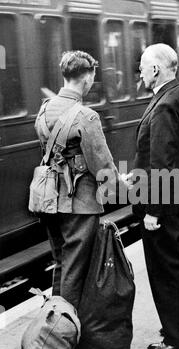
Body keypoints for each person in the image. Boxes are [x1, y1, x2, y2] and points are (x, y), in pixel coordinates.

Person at [128, 43, 179, 349]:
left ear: (155, 69)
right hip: (176, 193)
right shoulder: (176, 95)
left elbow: (161, 161)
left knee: (165, 268)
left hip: (163, 201)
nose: (140, 72)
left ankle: (178, 338)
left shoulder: (164, 104)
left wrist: (153, 212)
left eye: (143, 67)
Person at [34, 50, 118, 309]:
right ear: (87, 79)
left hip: (48, 201)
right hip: (79, 204)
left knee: (62, 262)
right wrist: (119, 185)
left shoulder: (44, 109)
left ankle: (54, 324)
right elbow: (102, 165)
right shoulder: (86, 116)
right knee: (76, 268)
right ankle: (69, 333)